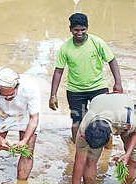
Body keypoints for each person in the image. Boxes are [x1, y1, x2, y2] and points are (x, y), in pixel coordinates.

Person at [49, 13, 123, 142]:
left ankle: (107, 149)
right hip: (75, 91)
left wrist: (118, 83)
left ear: (87, 28)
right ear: (70, 29)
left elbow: (111, 60)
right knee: (77, 120)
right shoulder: (65, 48)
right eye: (76, 30)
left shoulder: (97, 42)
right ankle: (75, 149)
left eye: (83, 29)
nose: (79, 33)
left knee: (103, 120)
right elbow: (58, 71)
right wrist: (53, 95)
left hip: (98, 87)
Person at [71, 93, 136, 184]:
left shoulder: (128, 120)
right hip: (100, 100)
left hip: (123, 105)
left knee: (133, 160)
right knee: (90, 160)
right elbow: (79, 164)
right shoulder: (83, 130)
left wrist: (127, 154)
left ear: (109, 138)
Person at [0, 67, 40, 180]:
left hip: (25, 113)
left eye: (11, 95)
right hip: (1, 112)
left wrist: (24, 140)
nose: (7, 97)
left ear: (17, 86)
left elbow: (34, 118)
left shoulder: (30, 87)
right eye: (3, 95)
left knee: (27, 152)